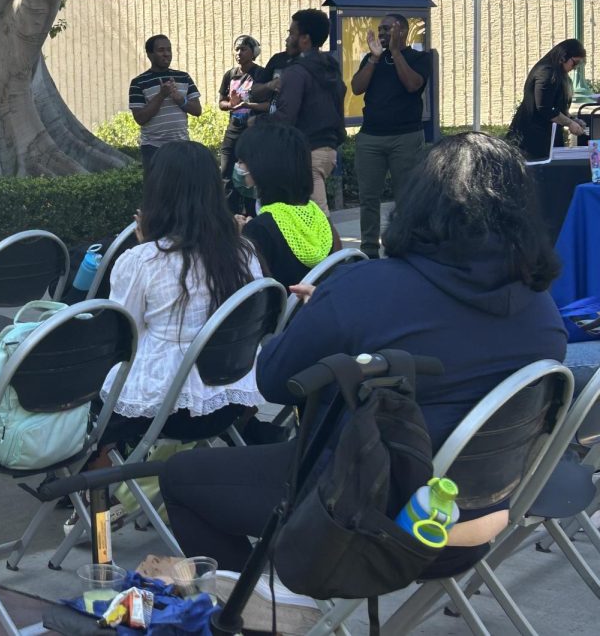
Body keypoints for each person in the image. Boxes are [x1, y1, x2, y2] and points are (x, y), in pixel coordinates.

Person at [159, 133, 566, 583]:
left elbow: (273, 381)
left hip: (357, 516)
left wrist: (326, 311)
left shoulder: (367, 288)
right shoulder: (543, 311)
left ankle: (264, 610)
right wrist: (341, 311)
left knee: (182, 476)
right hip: (473, 523)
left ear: (419, 203)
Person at [97, 140, 263, 458]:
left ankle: (101, 501)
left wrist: (149, 248)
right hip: (231, 401)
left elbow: (121, 335)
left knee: (88, 399)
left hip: (160, 411)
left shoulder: (142, 261)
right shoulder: (243, 252)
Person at [350, 14, 432, 259]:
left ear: (402, 31)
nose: (382, 33)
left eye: (387, 29)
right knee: (368, 197)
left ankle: (404, 246)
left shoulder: (419, 58)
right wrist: (374, 58)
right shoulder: (372, 59)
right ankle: (369, 250)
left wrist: (396, 53)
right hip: (371, 137)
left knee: (406, 194)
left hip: (405, 137)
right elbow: (356, 87)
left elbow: (412, 85)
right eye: (380, 29)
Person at [234, 122, 341, 288]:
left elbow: (250, 288)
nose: (239, 167)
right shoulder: (320, 218)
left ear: (263, 166)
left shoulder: (260, 229)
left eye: (242, 161)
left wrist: (241, 241)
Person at [271, 8, 346, 213]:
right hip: (328, 149)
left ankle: (334, 247)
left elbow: (286, 116)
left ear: (304, 39)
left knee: (320, 219)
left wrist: (257, 123)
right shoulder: (331, 67)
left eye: (291, 33)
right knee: (306, 217)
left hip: (308, 153)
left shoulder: (297, 71)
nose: (288, 38)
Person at [127, 34, 202, 168]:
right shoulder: (138, 83)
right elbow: (140, 118)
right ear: (150, 54)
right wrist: (161, 95)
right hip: (153, 148)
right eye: (161, 50)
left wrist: (180, 100)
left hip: (181, 145)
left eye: (169, 50)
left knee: (182, 187)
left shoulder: (183, 77)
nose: (166, 54)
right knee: (157, 188)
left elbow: (197, 110)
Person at [507, 38, 588, 161]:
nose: (575, 68)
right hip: (531, 140)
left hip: (546, 138)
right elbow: (544, 107)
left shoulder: (560, 75)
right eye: (574, 63)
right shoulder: (546, 72)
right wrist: (569, 123)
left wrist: (573, 120)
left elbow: (557, 107)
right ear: (563, 57)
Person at [218, 35, 270, 215]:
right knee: (226, 175)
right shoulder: (230, 75)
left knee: (251, 176)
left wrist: (247, 105)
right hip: (232, 130)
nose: (239, 53)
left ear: (254, 52)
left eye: (244, 49)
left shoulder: (261, 74)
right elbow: (221, 103)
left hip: (252, 132)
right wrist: (231, 105)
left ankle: (251, 216)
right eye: (237, 49)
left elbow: (268, 106)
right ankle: (230, 216)